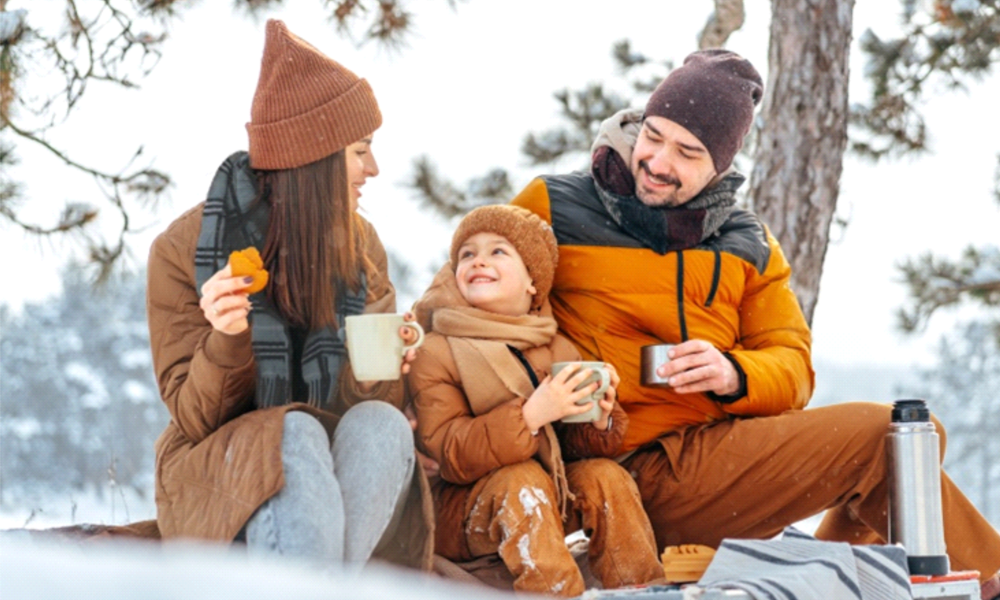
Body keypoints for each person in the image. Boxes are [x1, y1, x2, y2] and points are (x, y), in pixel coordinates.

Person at [507, 49, 1000, 598]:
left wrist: (733, 373)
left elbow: (793, 367)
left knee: (908, 441)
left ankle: (848, 572)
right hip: (607, 469)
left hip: (710, 461)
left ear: (720, 164)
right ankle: (984, 583)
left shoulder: (748, 243)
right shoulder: (554, 206)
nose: (659, 161)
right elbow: (465, 291)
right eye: (653, 135)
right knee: (889, 440)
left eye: (688, 152)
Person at [146, 20, 433, 572]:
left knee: (382, 425)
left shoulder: (361, 245)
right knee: (291, 428)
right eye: (360, 151)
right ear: (315, 157)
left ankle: (319, 584)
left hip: (328, 472)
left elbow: (364, 406)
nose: (373, 169)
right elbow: (193, 416)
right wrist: (228, 340)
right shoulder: (185, 251)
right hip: (220, 468)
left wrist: (383, 366)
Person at [407, 205, 663, 596]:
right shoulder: (438, 349)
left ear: (532, 281)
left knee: (605, 478)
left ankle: (640, 586)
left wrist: (598, 422)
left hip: (546, 491)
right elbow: (447, 450)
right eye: (467, 253)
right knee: (520, 481)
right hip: (458, 510)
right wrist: (529, 417)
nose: (479, 261)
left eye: (498, 252)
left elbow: (568, 448)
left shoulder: (554, 344)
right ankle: (555, 591)